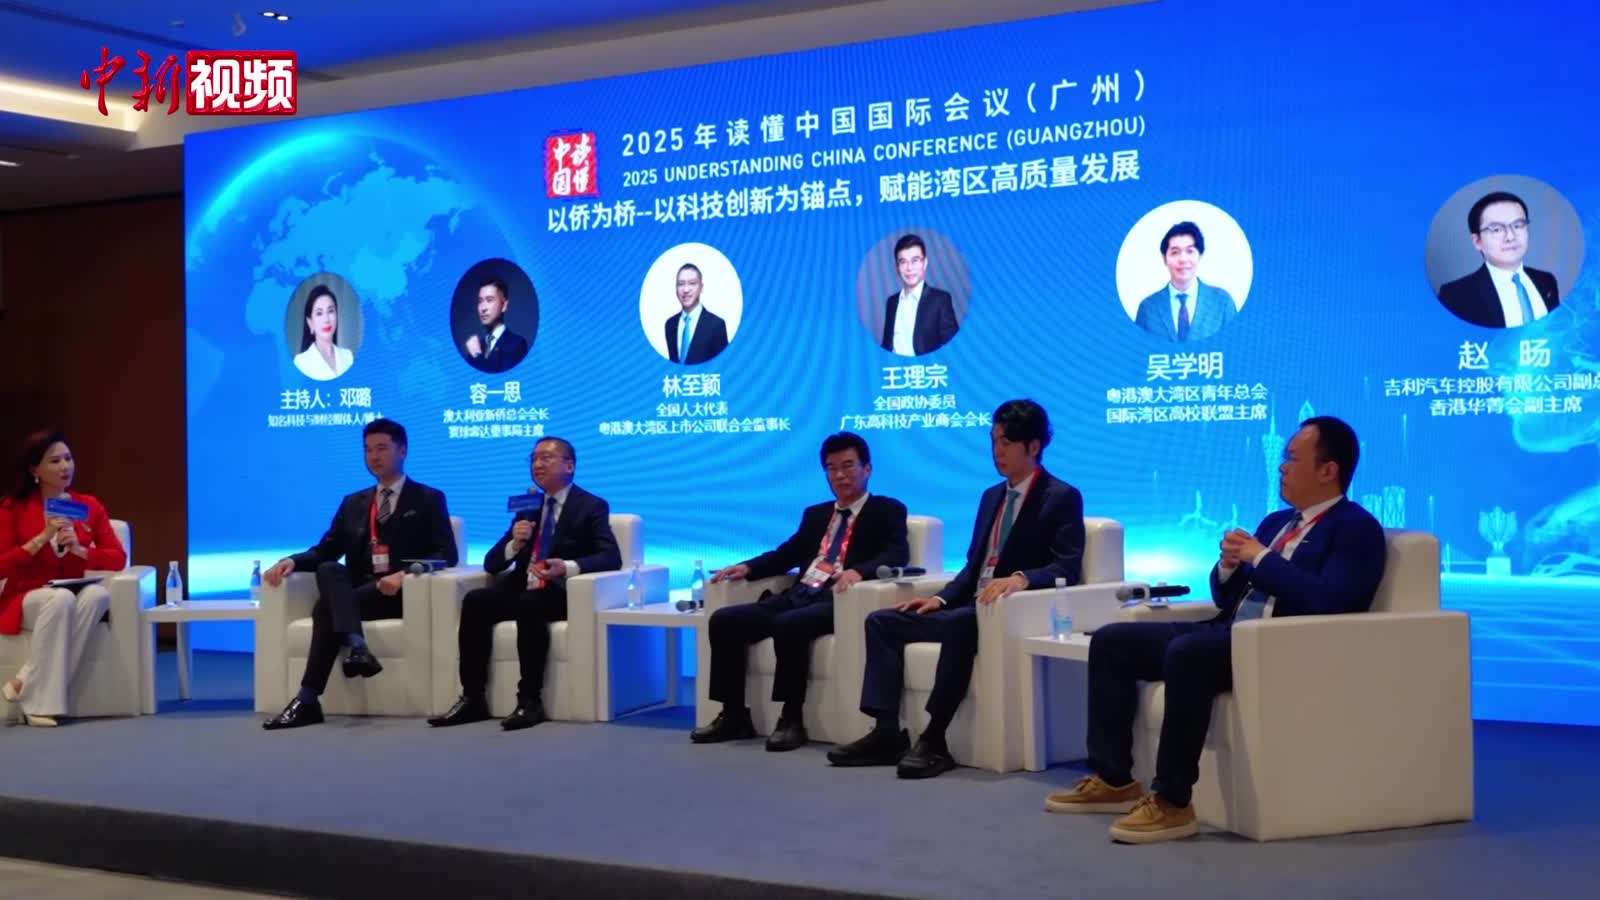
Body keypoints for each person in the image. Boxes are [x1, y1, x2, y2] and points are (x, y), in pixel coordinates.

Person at [1046, 415, 1387, 844]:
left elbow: (1331, 601)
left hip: (1282, 648)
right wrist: (1228, 567)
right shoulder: (1276, 523)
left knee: (1189, 654)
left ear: (1327, 470)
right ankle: (1114, 779)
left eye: (1291, 458)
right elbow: (1229, 599)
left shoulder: (1355, 529)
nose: (1281, 467)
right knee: (1113, 640)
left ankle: (1172, 801)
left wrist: (1261, 558)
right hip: (1229, 633)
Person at [829, 400, 1085, 778]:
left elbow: (1067, 565)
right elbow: (973, 567)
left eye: (1006, 442)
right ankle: (886, 732)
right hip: (968, 604)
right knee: (883, 622)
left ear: (1033, 446)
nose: (996, 451)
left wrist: (1020, 579)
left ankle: (935, 737)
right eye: (993, 441)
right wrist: (939, 598)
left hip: (1004, 612)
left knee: (960, 624)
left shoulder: (1060, 496)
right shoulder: (992, 496)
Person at [692, 432, 909, 751]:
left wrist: (860, 571)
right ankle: (734, 715)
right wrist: (747, 567)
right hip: (799, 595)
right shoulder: (816, 514)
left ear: (867, 469)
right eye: (832, 468)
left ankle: (791, 718)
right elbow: (786, 554)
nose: (840, 475)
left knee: (789, 625)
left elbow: (896, 553)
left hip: (837, 600)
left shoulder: (886, 510)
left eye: (848, 466)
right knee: (725, 620)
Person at [261, 418, 457, 730]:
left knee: (324, 609)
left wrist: (405, 574)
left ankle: (308, 699)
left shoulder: (428, 498)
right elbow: (326, 550)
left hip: (397, 591)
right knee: (328, 569)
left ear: (403, 450)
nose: (373, 457)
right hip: (356, 591)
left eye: (381, 448)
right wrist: (293, 562)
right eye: (368, 450)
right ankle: (357, 646)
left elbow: (446, 554)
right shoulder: (353, 503)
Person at [429, 437, 620, 731]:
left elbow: (610, 556)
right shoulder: (529, 507)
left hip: (560, 592)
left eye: (546, 458)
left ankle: (530, 700)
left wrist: (567, 567)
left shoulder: (591, 506)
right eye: (533, 459)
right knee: (477, 601)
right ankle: (472, 698)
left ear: (569, 466)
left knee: (530, 604)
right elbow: (493, 563)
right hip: (522, 588)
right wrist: (515, 544)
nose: (537, 464)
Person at [0, 431, 127, 727]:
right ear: (35, 469)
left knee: (97, 595)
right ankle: (41, 705)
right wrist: (41, 538)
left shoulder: (88, 506)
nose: (65, 467)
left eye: (68, 459)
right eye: (54, 461)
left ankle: (25, 681)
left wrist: (81, 551)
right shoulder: (13, 507)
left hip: (68, 592)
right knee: (59, 599)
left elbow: (117, 558)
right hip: (24, 597)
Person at [1438, 191, 1560, 328]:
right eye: (1496, 229)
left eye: (1517, 226)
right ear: (1477, 241)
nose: (1510, 237)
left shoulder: (1546, 281)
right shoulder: (1456, 295)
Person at [1133, 222, 1237, 342]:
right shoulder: (1148, 308)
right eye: (1175, 252)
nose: (1183, 259)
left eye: (1190, 251)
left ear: (1200, 256)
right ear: (1164, 259)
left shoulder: (1222, 302)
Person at [880, 234, 959, 356]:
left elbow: (953, 347)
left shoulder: (940, 300)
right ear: (897, 267)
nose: (909, 268)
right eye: (903, 262)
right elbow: (886, 346)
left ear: (925, 263)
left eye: (915, 261)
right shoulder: (892, 302)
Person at [665, 264, 730, 365]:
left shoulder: (717, 325)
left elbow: (723, 365)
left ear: (701, 288)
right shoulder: (670, 324)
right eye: (680, 284)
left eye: (692, 283)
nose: (686, 290)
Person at [463, 277, 531, 373]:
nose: (483, 308)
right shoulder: (476, 346)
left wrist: (477, 355)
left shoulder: (517, 344)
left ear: (504, 305)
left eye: (489, 300)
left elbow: (501, 378)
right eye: (480, 301)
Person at [293, 284, 356, 380]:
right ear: (310, 322)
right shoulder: (301, 362)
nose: (326, 319)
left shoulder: (348, 356)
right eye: (319, 313)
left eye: (330, 311)